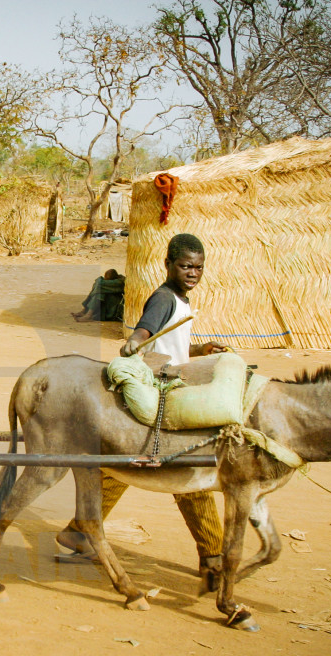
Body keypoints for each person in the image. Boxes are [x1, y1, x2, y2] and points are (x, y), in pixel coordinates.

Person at [58, 233, 228, 591]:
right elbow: (145, 331)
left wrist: (199, 350)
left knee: (124, 466)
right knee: (188, 470)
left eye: (198, 267)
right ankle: (214, 557)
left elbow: (168, 346)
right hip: (159, 393)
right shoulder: (164, 298)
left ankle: (79, 531)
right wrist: (135, 340)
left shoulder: (180, 300)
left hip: (167, 386)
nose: (192, 273)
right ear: (168, 264)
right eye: (185, 266)